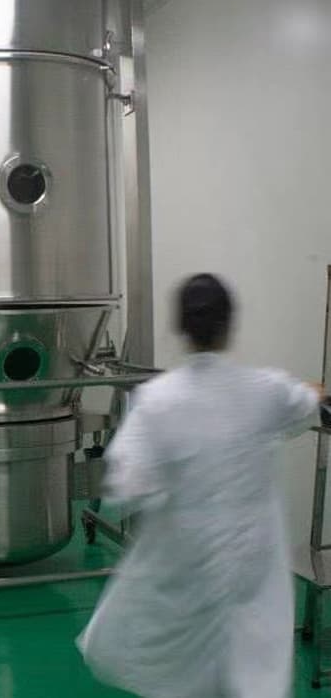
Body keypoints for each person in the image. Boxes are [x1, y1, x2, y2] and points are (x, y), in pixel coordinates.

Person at [79, 273, 322, 698]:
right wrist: (314, 391)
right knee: (248, 667)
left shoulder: (157, 400)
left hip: (186, 566)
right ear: (230, 325)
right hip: (248, 566)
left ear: (181, 330)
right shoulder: (263, 390)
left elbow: (126, 482)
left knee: (184, 673)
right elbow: (306, 399)